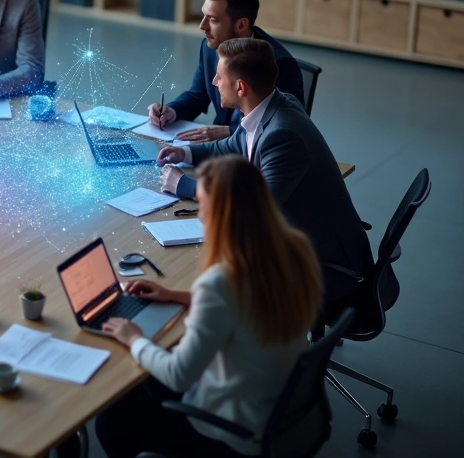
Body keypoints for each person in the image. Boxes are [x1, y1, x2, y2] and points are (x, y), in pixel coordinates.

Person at [95, 154, 324, 457]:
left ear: (220, 213)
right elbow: (248, 304)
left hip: (228, 432)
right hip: (271, 405)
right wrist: (177, 295)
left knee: (113, 418)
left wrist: (133, 338)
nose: (200, 214)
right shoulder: (293, 248)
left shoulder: (221, 281)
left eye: (202, 204)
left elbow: (179, 375)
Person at [156, 38, 372, 305]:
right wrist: (186, 153)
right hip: (299, 238)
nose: (213, 82)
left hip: (324, 265)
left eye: (219, 76)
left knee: (214, 280)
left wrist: (185, 186)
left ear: (240, 87)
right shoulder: (276, 104)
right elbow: (233, 146)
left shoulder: (283, 134)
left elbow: (254, 206)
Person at [148, 0, 303, 142]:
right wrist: (171, 111)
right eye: (203, 16)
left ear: (242, 25)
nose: (202, 26)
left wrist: (230, 131)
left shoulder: (279, 65)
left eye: (213, 20)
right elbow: (197, 96)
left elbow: (281, 128)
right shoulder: (210, 47)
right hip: (217, 146)